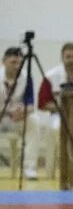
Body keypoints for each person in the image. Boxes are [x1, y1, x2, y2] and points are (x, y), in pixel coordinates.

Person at [0, 47, 39, 179]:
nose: (17, 66)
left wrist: (24, 111)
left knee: (34, 122)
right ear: (3, 61)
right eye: (13, 62)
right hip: (2, 115)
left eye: (19, 63)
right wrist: (7, 111)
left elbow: (31, 104)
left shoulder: (27, 78)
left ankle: (29, 167)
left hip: (17, 118)